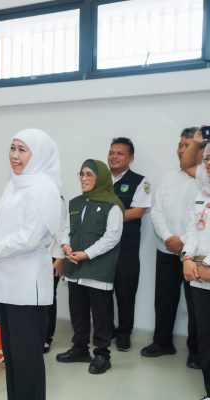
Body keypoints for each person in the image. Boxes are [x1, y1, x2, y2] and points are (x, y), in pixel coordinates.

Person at [0, 128, 62, 400]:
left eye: (22, 150)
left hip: (27, 288)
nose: (14, 155)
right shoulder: (14, 184)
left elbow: (28, 238)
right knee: (12, 357)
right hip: (6, 283)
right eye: (12, 148)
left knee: (27, 361)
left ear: (39, 154)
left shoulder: (45, 189)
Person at [56, 160, 124, 375]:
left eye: (89, 175)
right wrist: (65, 246)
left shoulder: (113, 206)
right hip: (74, 268)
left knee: (101, 315)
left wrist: (86, 254)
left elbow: (112, 237)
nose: (83, 179)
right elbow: (65, 229)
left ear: (100, 178)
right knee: (78, 312)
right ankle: (80, 349)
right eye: (82, 174)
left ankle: (102, 355)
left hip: (98, 269)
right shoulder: (75, 203)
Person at [141, 127, 200, 369]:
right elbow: (156, 212)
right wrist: (168, 237)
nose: (181, 149)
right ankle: (162, 343)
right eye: (180, 144)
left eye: (187, 145)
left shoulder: (205, 180)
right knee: (164, 300)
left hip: (195, 253)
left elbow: (201, 218)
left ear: (199, 149)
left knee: (197, 306)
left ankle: (197, 351)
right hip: (166, 248)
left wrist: (183, 241)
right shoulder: (168, 177)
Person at [108, 137, 152, 351]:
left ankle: (124, 333)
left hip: (126, 247)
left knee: (125, 293)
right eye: (111, 152)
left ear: (131, 158)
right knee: (102, 292)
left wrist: (107, 218)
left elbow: (138, 211)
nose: (114, 157)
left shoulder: (140, 181)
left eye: (120, 153)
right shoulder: (99, 179)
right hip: (101, 248)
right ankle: (106, 330)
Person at [181, 144, 210, 400]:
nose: (209, 163)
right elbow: (192, 229)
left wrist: (205, 266)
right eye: (208, 157)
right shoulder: (202, 193)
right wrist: (187, 258)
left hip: (205, 271)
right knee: (205, 339)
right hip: (199, 278)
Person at [44, 196, 67, 354]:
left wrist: (60, 257)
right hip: (32, 256)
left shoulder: (56, 198)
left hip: (52, 256)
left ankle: (46, 337)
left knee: (48, 296)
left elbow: (62, 229)